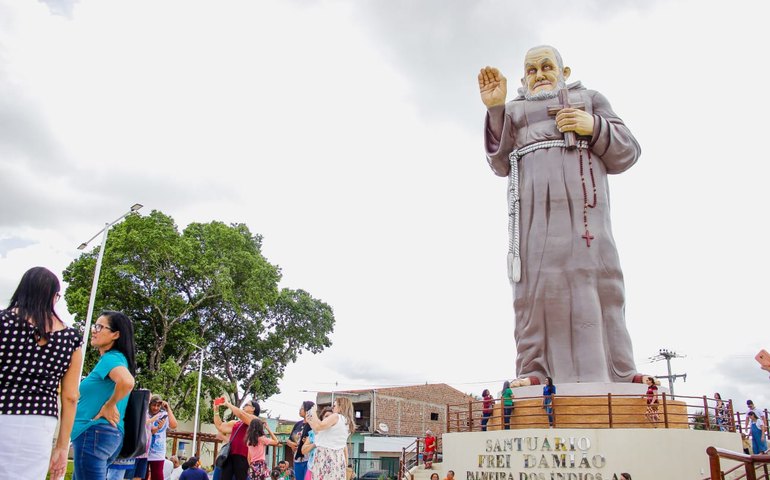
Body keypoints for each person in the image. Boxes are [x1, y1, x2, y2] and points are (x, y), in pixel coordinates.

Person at [478, 45, 641, 386]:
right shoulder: (514, 112)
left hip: (585, 224)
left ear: (564, 72)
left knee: (595, 288)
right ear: (523, 78)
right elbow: (498, 163)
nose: (539, 75)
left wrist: (592, 126)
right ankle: (535, 372)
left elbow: (627, 151)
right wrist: (495, 110)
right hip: (533, 223)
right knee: (534, 293)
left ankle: (613, 376)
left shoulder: (591, 99)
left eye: (547, 66)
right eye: (532, 70)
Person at [0, 267, 82, 480]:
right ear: (53, 297)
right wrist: (62, 447)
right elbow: (71, 397)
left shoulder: (4, 322)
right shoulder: (71, 338)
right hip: (41, 421)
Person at [71, 311, 137, 480]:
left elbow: (127, 382)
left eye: (100, 327)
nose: (94, 330)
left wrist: (110, 404)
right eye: (95, 326)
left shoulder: (112, 358)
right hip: (102, 434)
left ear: (116, 334)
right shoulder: (117, 359)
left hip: (93, 432)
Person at [305, 397, 356, 480]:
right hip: (338, 456)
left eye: (335, 405)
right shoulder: (347, 422)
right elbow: (322, 435)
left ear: (341, 407)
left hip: (325, 454)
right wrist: (311, 422)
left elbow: (319, 426)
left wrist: (314, 412)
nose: (333, 408)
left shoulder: (336, 417)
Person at [215, 399, 260, 480]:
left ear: (253, 409)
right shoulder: (237, 423)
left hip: (243, 456)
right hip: (230, 454)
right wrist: (216, 410)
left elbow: (241, 414)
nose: (244, 406)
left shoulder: (255, 420)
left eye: (247, 404)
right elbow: (220, 426)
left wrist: (228, 404)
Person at [148, 395, 179, 480]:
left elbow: (174, 425)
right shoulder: (146, 414)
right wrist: (158, 427)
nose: (155, 408)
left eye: (158, 405)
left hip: (158, 451)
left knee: (157, 475)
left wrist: (168, 408)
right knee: (143, 475)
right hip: (145, 450)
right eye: (153, 405)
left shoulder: (164, 415)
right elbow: (150, 430)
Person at [287, 401, 314, 480]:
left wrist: (308, 441)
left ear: (308, 410)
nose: (300, 410)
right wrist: (291, 444)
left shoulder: (313, 425)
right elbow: (289, 440)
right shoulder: (297, 424)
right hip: (297, 459)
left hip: (309, 458)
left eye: (302, 408)